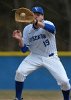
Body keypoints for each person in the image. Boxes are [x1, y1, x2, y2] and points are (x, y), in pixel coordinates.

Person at [12, 6, 71, 100]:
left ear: (42, 17)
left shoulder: (48, 23)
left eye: (38, 15)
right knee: (20, 72)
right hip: (34, 56)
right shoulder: (27, 29)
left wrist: (36, 23)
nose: (35, 16)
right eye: (33, 15)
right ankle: (17, 98)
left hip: (51, 57)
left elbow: (52, 29)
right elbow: (24, 50)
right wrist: (20, 40)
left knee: (64, 82)